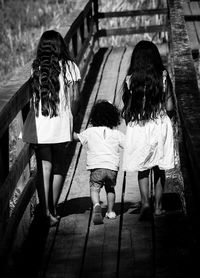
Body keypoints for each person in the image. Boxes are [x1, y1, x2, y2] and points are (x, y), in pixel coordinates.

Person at [21, 30, 81, 226]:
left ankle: (45, 211)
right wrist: (72, 120)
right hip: (60, 124)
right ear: (60, 46)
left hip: (40, 125)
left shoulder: (35, 69)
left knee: (44, 166)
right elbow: (75, 100)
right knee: (58, 165)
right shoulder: (70, 67)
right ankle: (52, 209)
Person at [121, 40, 175, 220]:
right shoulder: (163, 76)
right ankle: (159, 207)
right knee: (160, 168)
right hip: (159, 125)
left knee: (143, 169)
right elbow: (169, 106)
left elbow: (127, 109)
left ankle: (145, 203)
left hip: (139, 126)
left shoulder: (130, 80)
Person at [73, 100, 124, 225]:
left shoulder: (90, 132)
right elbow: (128, 144)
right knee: (110, 189)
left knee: (95, 188)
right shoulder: (116, 133)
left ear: (94, 117)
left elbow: (76, 137)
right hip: (112, 168)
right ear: (113, 117)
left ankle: (96, 205)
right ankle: (111, 211)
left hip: (96, 168)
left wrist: (69, 125)